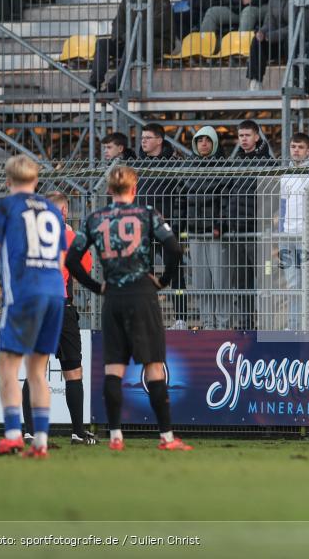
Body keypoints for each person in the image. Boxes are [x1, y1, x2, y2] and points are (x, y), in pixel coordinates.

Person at [65, 165, 192, 452]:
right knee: (154, 366)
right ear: (134, 189)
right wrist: (163, 281)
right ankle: (167, 437)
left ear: (109, 190)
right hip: (143, 295)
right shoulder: (147, 214)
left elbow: (72, 260)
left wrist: (98, 287)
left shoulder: (95, 218)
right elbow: (173, 249)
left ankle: (115, 436)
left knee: (114, 368)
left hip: (114, 297)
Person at [0, 156, 66, 458]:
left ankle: (13, 434)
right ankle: (40, 442)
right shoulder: (52, 209)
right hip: (55, 292)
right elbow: (61, 259)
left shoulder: (3, 207)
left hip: (25, 292)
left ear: (7, 180)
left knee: (8, 365)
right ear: (36, 181)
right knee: (38, 370)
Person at [21, 192, 97, 446]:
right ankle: (77, 432)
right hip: (60, 306)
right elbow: (85, 267)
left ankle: (30, 431)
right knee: (73, 370)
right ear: (63, 211)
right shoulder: (70, 236)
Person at [133, 123, 188, 329]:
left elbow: (181, 196)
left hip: (167, 229)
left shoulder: (174, 165)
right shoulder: (138, 166)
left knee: (175, 272)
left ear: (159, 140)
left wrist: (174, 222)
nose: (143, 141)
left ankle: (181, 319)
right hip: (143, 228)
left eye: (148, 137)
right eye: (142, 138)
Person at [87, 0, 172, 93]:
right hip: (130, 41)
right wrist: (120, 37)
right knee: (102, 44)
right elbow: (118, 21)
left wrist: (132, 35)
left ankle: (115, 85)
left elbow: (161, 21)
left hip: (158, 42)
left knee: (134, 43)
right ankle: (93, 85)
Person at [228, 119, 275, 329]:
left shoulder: (268, 163)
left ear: (257, 136)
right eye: (241, 136)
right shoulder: (234, 162)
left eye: (247, 135)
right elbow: (228, 194)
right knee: (241, 283)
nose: (244, 139)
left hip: (258, 232)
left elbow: (274, 196)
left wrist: (262, 218)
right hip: (237, 232)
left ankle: (266, 323)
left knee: (264, 280)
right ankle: (246, 324)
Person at [184, 126, 231, 330]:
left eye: (207, 140)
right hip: (195, 232)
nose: (203, 143)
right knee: (202, 283)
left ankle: (222, 324)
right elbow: (181, 201)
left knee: (220, 282)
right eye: (199, 140)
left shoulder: (225, 166)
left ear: (214, 143)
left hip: (215, 233)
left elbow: (228, 201)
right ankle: (207, 324)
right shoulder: (187, 167)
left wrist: (220, 224)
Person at [278, 132, 309, 330]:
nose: (296, 150)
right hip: (287, 236)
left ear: (308, 150)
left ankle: (307, 324)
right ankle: (294, 324)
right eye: (293, 146)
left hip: (306, 236)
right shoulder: (285, 175)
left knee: (308, 284)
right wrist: (279, 233)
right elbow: (282, 205)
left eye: (300, 147)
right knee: (293, 285)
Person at [246, 0, 306, 91]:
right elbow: (269, 22)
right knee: (257, 41)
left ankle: (293, 82)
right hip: (277, 39)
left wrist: (270, 36)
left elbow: (296, 27)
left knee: (291, 40)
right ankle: (255, 82)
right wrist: (262, 32)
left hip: (296, 40)